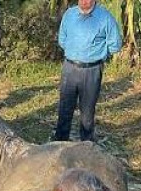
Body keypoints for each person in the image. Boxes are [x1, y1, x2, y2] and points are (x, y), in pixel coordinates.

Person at [54, 0, 121, 142]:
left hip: (92, 70)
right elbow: (62, 40)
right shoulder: (69, 15)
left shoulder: (105, 17)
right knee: (65, 108)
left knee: (87, 111)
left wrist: (96, 55)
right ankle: (60, 142)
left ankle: (87, 144)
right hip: (70, 69)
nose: (84, 1)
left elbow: (115, 44)